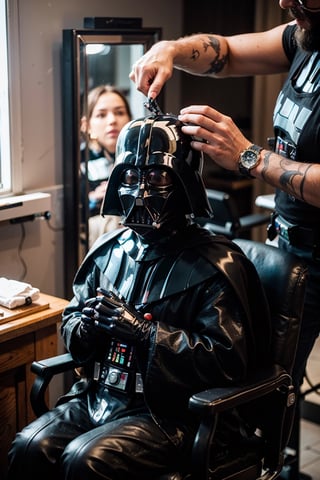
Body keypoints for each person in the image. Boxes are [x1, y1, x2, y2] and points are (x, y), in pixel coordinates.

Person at [7, 112, 272, 480]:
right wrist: (86, 327)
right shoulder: (107, 251)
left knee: (84, 461)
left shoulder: (216, 265)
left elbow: (227, 360)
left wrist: (146, 333)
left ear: (183, 182)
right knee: (29, 447)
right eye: (131, 177)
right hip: (100, 396)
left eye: (156, 176)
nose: (140, 191)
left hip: (170, 411)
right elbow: (71, 322)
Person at [129, 0, 320, 402]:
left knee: (266, 394)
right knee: (266, 381)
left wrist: (249, 156)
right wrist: (173, 51)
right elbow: (227, 54)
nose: (286, 3)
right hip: (291, 243)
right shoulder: (305, 36)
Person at [80, 85, 132, 247]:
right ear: (86, 125)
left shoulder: (140, 156)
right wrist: (92, 199)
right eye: (101, 115)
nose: (112, 121)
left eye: (119, 112)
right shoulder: (77, 161)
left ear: (130, 119)